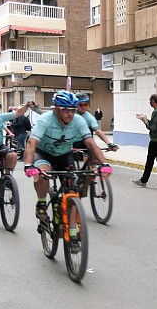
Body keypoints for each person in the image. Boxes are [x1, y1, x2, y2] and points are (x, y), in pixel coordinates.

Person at [24, 91, 112, 225]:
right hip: (43, 154)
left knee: (73, 192)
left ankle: (72, 234)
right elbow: (32, 142)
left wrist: (104, 164)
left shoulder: (78, 120)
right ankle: (41, 203)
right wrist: (28, 165)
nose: (70, 113)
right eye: (65, 110)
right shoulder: (46, 119)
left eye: (72, 110)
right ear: (56, 109)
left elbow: (90, 143)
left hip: (64, 154)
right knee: (42, 174)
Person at [131, 94, 157, 189]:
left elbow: (151, 127)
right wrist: (146, 119)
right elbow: (156, 124)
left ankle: (143, 181)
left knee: (150, 161)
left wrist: (144, 120)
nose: (149, 103)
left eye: (150, 101)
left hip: (156, 141)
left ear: (153, 101)